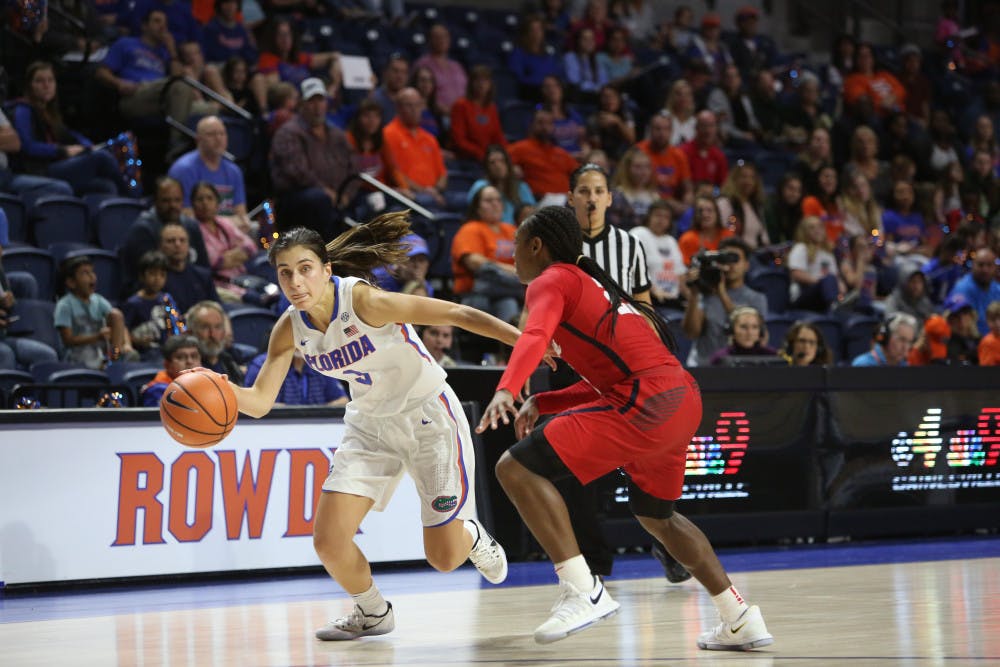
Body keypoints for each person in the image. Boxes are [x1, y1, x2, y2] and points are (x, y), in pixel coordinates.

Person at [219, 212, 553, 641]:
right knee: (328, 540)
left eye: (305, 269)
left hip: (427, 415)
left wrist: (528, 342)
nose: (296, 282)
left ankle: (470, 535)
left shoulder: (364, 302)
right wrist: (219, 389)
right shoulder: (289, 328)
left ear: (326, 270)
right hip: (369, 425)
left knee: (445, 559)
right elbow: (261, 402)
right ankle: (373, 612)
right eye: (285, 274)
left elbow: (455, 312)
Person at [477, 204, 773, 649]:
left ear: (535, 246)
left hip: (649, 400)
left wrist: (507, 388)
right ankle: (739, 615)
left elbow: (533, 337)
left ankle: (583, 588)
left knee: (514, 468)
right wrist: (544, 399)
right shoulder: (593, 286)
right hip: (680, 397)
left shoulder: (551, 279)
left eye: (516, 248)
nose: (512, 259)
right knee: (659, 516)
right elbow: (616, 379)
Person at [12, 61, 129, 196]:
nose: (46, 86)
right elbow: (27, 146)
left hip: (56, 164)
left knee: (106, 186)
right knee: (101, 158)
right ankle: (135, 201)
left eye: (50, 80)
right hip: (39, 169)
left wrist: (87, 145)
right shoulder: (23, 110)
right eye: (39, 81)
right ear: (29, 86)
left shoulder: (51, 113)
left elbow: (69, 134)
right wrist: (62, 151)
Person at [270, 77, 356, 241]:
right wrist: (327, 191)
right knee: (319, 199)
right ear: (301, 104)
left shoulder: (337, 134)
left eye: (321, 100)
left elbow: (353, 167)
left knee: (373, 201)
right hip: (297, 199)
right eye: (311, 101)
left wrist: (346, 194)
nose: (317, 107)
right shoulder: (288, 133)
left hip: (337, 196)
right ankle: (328, 254)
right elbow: (296, 171)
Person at [682, 236, 767, 367]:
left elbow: (761, 338)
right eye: (725, 259)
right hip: (705, 367)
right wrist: (694, 293)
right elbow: (691, 333)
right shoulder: (705, 294)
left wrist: (721, 292)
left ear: (746, 265)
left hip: (740, 367)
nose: (730, 265)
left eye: (735, 259)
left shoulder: (756, 299)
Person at [121, 176, 211, 295]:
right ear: (155, 201)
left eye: (177, 200)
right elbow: (147, 279)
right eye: (166, 201)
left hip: (192, 291)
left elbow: (204, 268)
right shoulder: (143, 230)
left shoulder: (191, 226)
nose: (172, 205)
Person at [167, 115, 251, 233]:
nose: (218, 139)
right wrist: (229, 222)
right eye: (211, 134)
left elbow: (242, 218)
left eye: (222, 134)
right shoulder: (183, 170)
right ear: (198, 139)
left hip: (229, 235)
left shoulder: (234, 171)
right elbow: (187, 218)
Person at [451, 186, 522, 324]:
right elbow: (475, 262)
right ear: (477, 207)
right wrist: (513, 271)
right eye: (489, 200)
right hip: (477, 294)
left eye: (498, 200)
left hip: (513, 287)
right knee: (508, 302)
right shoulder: (470, 229)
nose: (495, 204)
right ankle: (513, 344)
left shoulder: (511, 229)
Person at [55, 255, 137, 369]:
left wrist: (127, 345)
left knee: (116, 315)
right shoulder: (64, 305)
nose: (92, 276)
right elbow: (68, 340)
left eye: (92, 272)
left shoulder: (98, 300)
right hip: (77, 355)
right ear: (71, 282)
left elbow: (121, 325)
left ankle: (116, 357)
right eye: (85, 273)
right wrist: (97, 337)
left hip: (99, 351)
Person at [190, 181, 260, 302]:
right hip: (218, 285)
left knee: (272, 292)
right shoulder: (193, 228)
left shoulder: (223, 223)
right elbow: (212, 262)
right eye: (200, 199)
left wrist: (228, 257)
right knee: (254, 299)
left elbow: (250, 247)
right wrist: (234, 254)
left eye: (209, 198)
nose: (205, 203)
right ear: (193, 205)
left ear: (217, 203)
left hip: (242, 278)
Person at [382, 88, 449, 209]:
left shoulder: (429, 138)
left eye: (417, 105)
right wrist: (425, 191)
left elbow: (442, 174)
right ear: (398, 108)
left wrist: (435, 190)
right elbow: (396, 174)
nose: (414, 110)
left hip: (434, 193)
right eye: (409, 105)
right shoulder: (388, 134)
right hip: (410, 195)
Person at [121, 250, 187, 361]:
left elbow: (177, 322)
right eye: (152, 274)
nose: (157, 279)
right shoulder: (134, 303)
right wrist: (133, 341)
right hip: (146, 352)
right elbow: (124, 328)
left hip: (167, 349)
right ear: (142, 276)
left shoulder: (166, 299)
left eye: (162, 275)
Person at [508, 108, 580, 200]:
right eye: (540, 123)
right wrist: (511, 168)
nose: (545, 127)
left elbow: (580, 173)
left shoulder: (560, 152)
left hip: (568, 200)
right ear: (532, 125)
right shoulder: (520, 148)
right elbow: (500, 160)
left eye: (549, 123)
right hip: (542, 202)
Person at [245, 345, 349, 407]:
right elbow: (253, 404)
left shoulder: (321, 362)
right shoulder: (263, 365)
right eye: (294, 335)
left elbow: (342, 400)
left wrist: (311, 415)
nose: (300, 341)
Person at [629, 200, 685, 306]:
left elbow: (680, 274)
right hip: (647, 299)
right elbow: (630, 268)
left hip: (673, 300)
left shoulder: (671, 241)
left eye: (666, 217)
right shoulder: (638, 233)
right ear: (649, 216)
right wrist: (652, 290)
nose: (661, 220)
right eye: (658, 215)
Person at [450, 66, 507, 163]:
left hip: (488, 158)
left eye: (485, 81)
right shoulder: (461, 105)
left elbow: (498, 137)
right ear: (471, 84)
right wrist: (481, 154)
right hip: (466, 159)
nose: (481, 85)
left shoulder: (491, 108)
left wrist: (505, 154)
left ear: (490, 85)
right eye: (477, 80)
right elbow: (459, 140)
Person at [160, 222, 221, 314]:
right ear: (160, 246)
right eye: (171, 241)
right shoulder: (156, 280)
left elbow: (217, 309)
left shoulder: (203, 276)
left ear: (189, 245)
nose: (177, 244)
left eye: (182, 240)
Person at [468, 145, 535, 224]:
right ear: (487, 167)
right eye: (492, 162)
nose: (498, 166)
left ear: (508, 164)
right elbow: (474, 215)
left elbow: (532, 215)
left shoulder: (522, 187)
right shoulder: (480, 187)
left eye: (502, 161)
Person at [787, 216, 842, 313]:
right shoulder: (801, 248)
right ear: (804, 232)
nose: (817, 230)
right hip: (803, 294)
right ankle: (835, 306)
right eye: (812, 228)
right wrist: (821, 282)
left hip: (824, 294)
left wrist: (841, 287)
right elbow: (796, 273)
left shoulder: (828, 254)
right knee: (828, 280)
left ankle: (836, 305)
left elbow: (835, 277)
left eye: (820, 227)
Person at [186, 299, 245, 385]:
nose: (212, 334)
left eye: (217, 327)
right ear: (190, 332)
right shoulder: (186, 369)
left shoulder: (230, 363)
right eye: (204, 327)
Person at [947, 246, 1000, 335]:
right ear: (973, 265)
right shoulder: (962, 288)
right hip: (971, 342)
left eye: (989, 265)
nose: (985, 269)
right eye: (981, 265)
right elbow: (962, 327)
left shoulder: (997, 288)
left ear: (995, 267)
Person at [140, 333, 202, 406]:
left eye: (194, 356)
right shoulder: (158, 390)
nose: (189, 361)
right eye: (181, 357)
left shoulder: (207, 384)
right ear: (167, 365)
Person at [851, 312, 916, 367]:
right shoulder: (863, 365)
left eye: (909, 342)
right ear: (886, 337)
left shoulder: (905, 365)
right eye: (902, 340)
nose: (905, 347)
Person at [977, 301, 1000, 366]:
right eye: (993, 320)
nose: (998, 324)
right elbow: (987, 371)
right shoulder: (988, 342)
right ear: (987, 321)